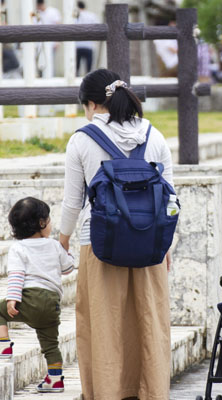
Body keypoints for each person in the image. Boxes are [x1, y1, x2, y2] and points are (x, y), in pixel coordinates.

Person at [59, 69, 174, 399]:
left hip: (99, 243)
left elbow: (72, 202)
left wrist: (63, 239)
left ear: (93, 105)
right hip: (150, 243)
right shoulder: (156, 136)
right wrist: (168, 245)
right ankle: (151, 391)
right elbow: (172, 199)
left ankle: (108, 392)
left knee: (104, 325)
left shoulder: (82, 140)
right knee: (149, 322)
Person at [0, 197, 74, 393]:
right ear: (41, 223)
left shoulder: (18, 248)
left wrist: (12, 299)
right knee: (50, 344)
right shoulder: (54, 245)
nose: (50, 223)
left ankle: (3, 345)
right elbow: (68, 268)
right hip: (51, 304)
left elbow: (17, 275)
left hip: (28, 298)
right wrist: (67, 251)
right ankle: (55, 379)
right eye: (48, 220)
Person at [35, 0, 62, 78]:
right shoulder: (37, 13)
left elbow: (58, 26)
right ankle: (42, 78)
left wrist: (57, 41)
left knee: (50, 62)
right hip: (39, 43)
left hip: (51, 42)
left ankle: (50, 78)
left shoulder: (53, 12)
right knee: (40, 63)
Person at [74, 1, 99, 75]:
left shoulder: (75, 16)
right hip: (89, 45)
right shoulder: (92, 15)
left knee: (76, 67)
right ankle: (89, 80)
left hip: (77, 45)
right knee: (89, 67)